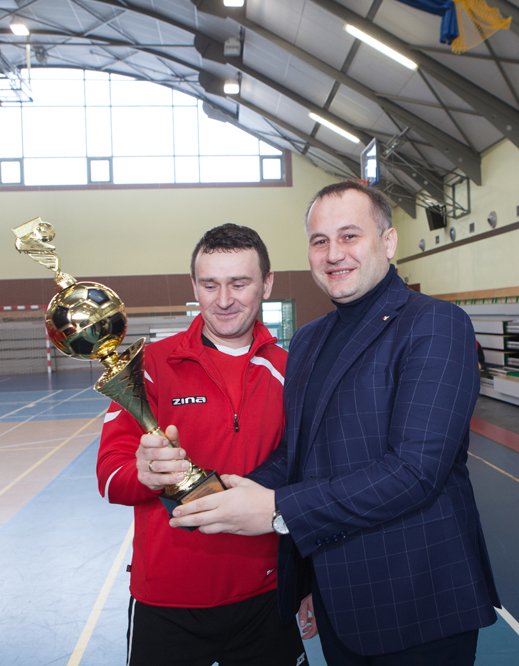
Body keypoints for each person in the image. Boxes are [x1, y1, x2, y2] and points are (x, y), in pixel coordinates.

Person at [170, 182, 501, 665]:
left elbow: (415, 471)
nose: (333, 254)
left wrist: (277, 509)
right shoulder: (309, 340)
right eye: (320, 240)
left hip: (419, 603)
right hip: (338, 599)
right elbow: (299, 454)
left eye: (350, 236)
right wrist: (214, 492)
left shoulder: (435, 324)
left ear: (388, 242)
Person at [96, 223, 307, 666]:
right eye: (210, 285)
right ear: (194, 286)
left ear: (267, 283)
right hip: (168, 602)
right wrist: (144, 474)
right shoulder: (151, 365)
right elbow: (111, 478)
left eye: (239, 283)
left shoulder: (292, 370)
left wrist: (304, 582)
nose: (224, 299)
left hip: (266, 593)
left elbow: (303, 475)